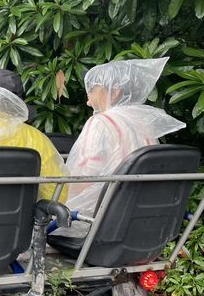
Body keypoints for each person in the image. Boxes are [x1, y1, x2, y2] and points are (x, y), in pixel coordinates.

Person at [64, 58, 186, 219]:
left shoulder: (100, 122)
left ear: (114, 92)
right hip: (139, 218)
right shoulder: (143, 123)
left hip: (94, 219)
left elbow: (83, 179)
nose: (88, 89)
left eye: (94, 86)